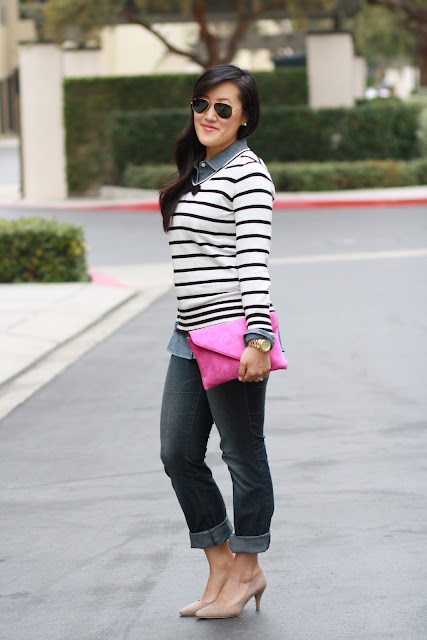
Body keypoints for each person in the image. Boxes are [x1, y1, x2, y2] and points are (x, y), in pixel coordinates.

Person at [159, 64, 279, 620]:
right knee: (178, 453)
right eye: (202, 104)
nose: (209, 115)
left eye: (223, 108)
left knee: (242, 454)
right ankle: (220, 562)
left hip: (233, 335)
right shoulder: (200, 171)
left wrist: (259, 337)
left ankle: (249, 568)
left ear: (245, 118)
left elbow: (253, 259)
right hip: (189, 334)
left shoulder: (248, 174)